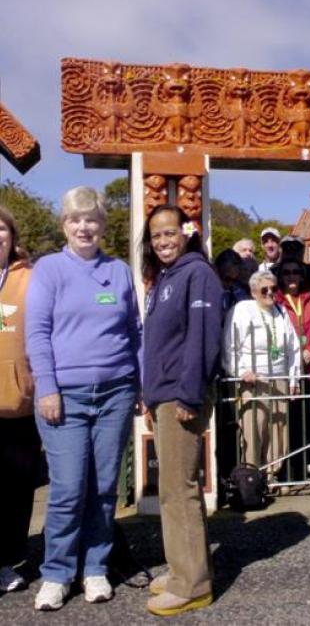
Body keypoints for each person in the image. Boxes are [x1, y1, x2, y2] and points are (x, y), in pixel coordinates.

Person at [26, 187, 142, 611]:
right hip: (65, 397)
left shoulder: (120, 271)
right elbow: (36, 333)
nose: (83, 227)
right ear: (64, 225)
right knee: (68, 488)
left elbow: (134, 332)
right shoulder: (49, 269)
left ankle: (95, 568)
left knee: (104, 487)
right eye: (75, 219)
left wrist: (139, 382)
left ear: (102, 226)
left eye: (91, 219)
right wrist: (48, 386)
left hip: (116, 391)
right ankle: (56, 573)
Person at [142, 204, 223, 617]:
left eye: (169, 233)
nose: (162, 241)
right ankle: (182, 570)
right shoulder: (166, 279)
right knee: (171, 491)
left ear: (187, 233)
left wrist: (190, 394)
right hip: (164, 396)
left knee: (180, 491)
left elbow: (203, 340)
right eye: (155, 235)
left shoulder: (197, 274)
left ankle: (192, 585)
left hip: (182, 397)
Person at [223, 270, 300, 480]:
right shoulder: (242, 310)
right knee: (253, 428)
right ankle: (251, 475)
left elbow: (293, 349)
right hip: (252, 380)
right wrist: (240, 371)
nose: (270, 293)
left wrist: (294, 378)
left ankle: (272, 474)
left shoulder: (281, 311)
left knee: (277, 429)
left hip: (278, 377)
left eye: (274, 289)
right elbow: (230, 346)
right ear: (253, 291)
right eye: (264, 289)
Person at [0, 207, 41, 593]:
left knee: (16, 489)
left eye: (1, 228)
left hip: (20, 405)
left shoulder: (31, 278)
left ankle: (9, 560)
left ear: (12, 237)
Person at [275, 257, 310, 478]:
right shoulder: (276, 301)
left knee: (308, 419)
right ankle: (287, 466)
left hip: (309, 369)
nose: (291, 277)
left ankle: (308, 462)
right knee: (286, 420)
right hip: (285, 369)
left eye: (295, 272)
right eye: (286, 272)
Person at [274, 235, 310, 308]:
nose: (292, 252)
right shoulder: (274, 271)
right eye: (287, 248)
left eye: (296, 249)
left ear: (302, 251)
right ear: (281, 251)